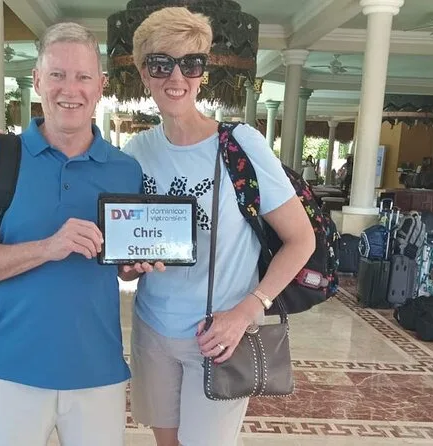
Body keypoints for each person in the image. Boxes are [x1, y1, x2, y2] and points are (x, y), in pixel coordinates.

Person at [118, 8, 315, 446]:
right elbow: (126, 265)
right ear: (143, 72)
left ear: (202, 72)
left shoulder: (240, 145)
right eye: (161, 64)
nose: (176, 77)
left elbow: (301, 239)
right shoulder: (137, 152)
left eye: (190, 64)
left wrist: (248, 311)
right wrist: (131, 265)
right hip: (152, 329)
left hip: (219, 335)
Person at [0, 23, 143, 446]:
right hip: (8, 370)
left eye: (83, 76)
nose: (70, 89)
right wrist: (49, 247)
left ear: (100, 86)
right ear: (37, 81)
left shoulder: (126, 171)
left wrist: (136, 263)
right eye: (57, 75)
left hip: (98, 371)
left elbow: (123, 267)